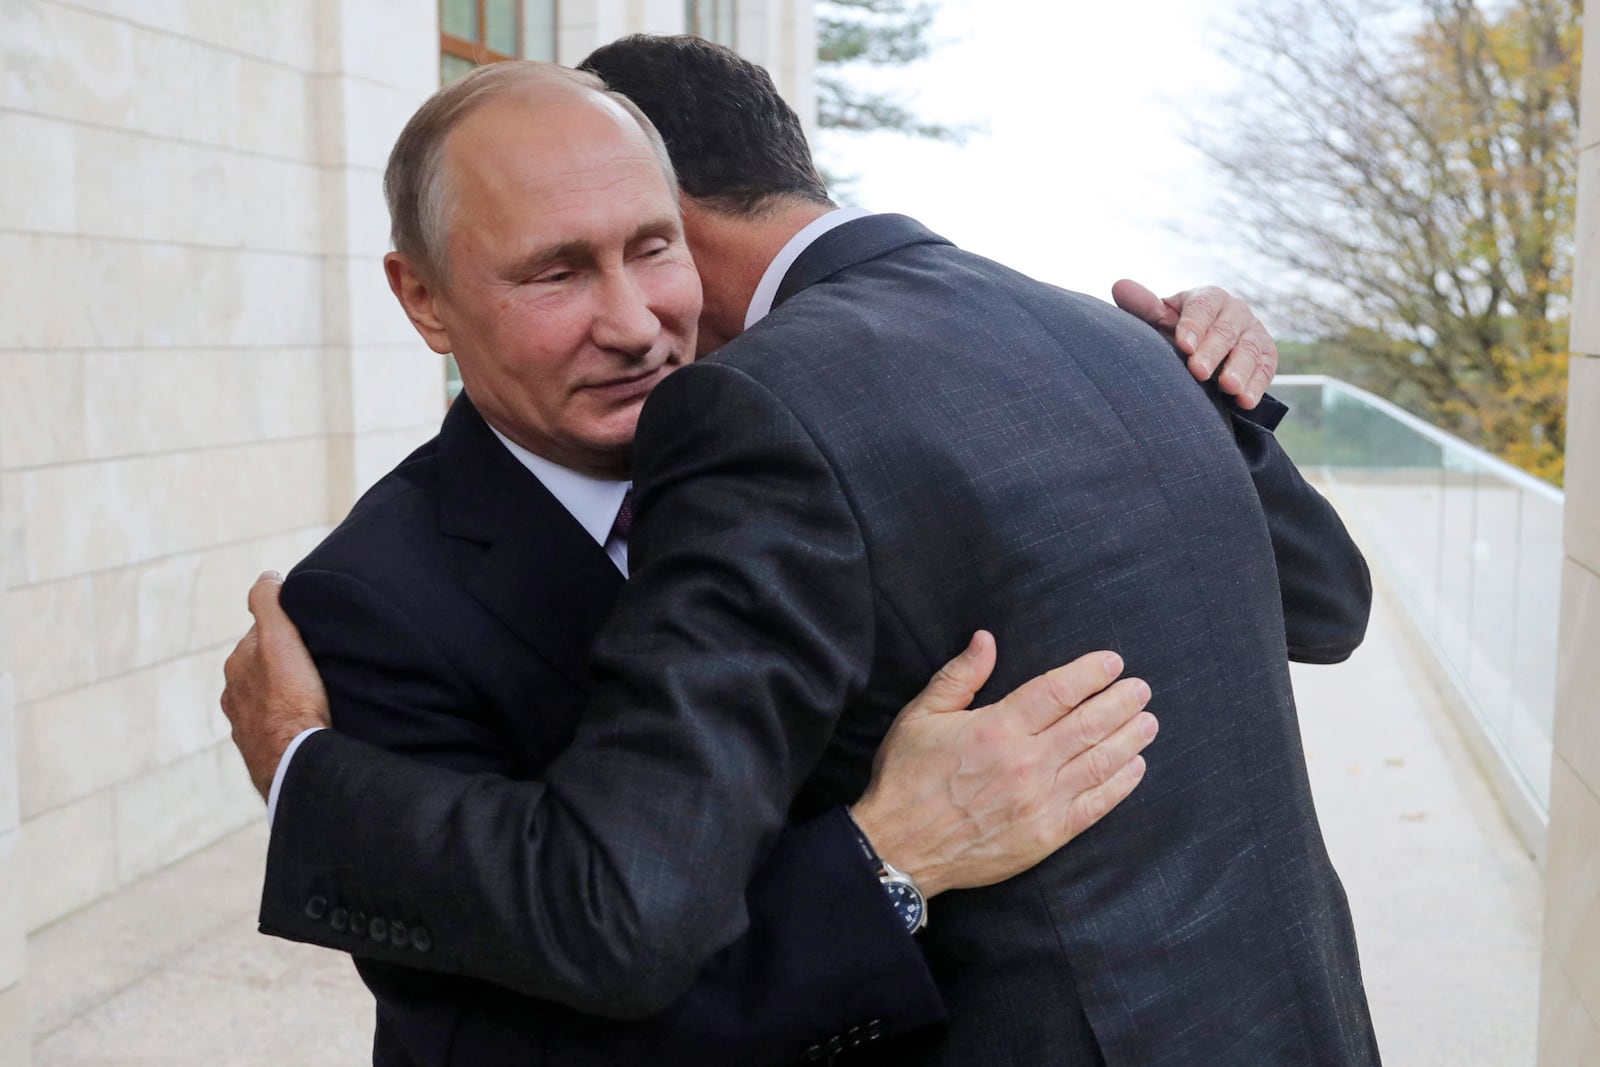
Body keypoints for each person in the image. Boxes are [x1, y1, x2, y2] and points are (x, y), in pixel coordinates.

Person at [224, 40, 1375, 1067]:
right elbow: (491, 1036)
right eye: (556, 271)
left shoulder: (818, 422)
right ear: (422, 299)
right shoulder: (369, 606)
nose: (633, 321)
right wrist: (890, 858)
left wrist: (1212, 396)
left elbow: (1316, 601)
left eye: (652, 247)